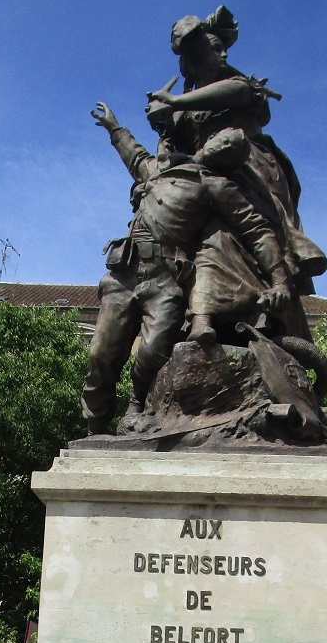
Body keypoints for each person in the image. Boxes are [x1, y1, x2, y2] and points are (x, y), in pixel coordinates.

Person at [82, 102, 289, 435]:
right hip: (125, 272)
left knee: (151, 353)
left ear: (229, 159)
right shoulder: (160, 168)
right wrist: (113, 127)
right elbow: (134, 156)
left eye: (228, 146)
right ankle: (94, 428)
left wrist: (279, 279)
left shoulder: (216, 185)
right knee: (100, 356)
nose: (218, 144)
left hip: (165, 281)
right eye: (219, 139)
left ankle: (136, 404)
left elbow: (257, 230)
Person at [145, 5, 327, 340]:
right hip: (204, 174)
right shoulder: (183, 105)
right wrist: (163, 130)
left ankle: (273, 297)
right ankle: (201, 315)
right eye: (215, 48)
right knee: (205, 238)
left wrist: (174, 103)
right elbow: (167, 158)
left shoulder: (240, 86)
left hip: (248, 165)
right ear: (196, 57)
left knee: (255, 232)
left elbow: (236, 91)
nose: (224, 52)